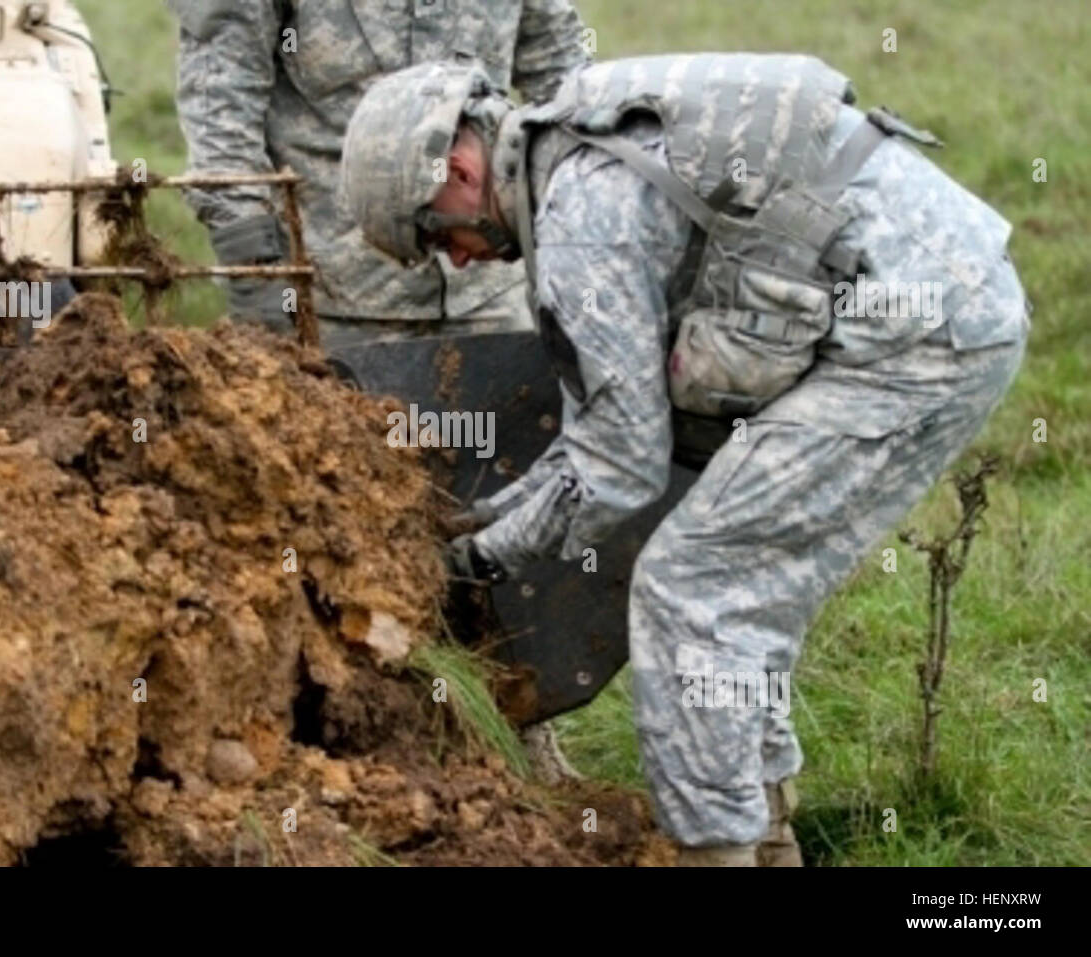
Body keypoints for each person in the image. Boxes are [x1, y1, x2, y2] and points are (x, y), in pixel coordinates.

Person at [338, 55, 1030, 865]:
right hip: (939, 294)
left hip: (918, 342)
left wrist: (470, 559)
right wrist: (490, 519)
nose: (455, 260)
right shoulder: (574, 151)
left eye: (434, 235)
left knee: (694, 586)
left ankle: (717, 852)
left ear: (459, 170)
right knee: (742, 590)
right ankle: (766, 835)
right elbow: (608, 425)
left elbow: (619, 464)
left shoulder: (579, 219)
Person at [168, 0, 589, 347]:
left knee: (499, 445)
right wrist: (258, 279)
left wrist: (582, 247)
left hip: (493, 297)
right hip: (333, 311)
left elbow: (567, 86)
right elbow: (220, 113)